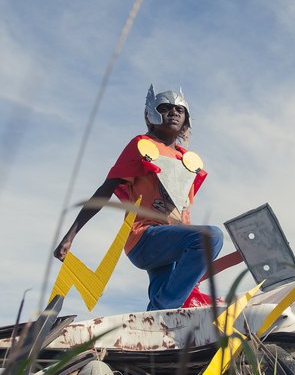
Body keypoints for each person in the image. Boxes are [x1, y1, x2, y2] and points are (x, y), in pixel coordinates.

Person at [54, 84, 224, 311]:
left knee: (162, 305)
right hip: (145, 238)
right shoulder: (142, 146)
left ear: (187, 118)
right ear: (152, 113)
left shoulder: (187, 159)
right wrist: (70, 235)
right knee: (210, 237)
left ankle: (157, 321)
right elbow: (106, 190)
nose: (173, 112)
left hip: (173, 243)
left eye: (179, 109)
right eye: (165, 107)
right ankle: (165, 309)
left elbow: (182, 210)